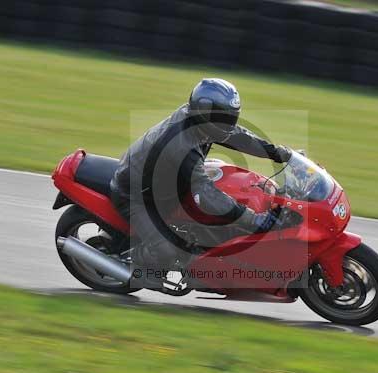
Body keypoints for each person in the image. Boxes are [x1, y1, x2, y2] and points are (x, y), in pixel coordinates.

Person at [109, 78, 291, 285]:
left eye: (230, 117)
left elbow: (240, 137)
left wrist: (279, 154)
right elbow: (204, 193)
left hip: (168, 186)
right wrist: (253, 220)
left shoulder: (200, 125)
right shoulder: (181, 144)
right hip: (136, 196)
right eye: (223, 118)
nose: (229, 124)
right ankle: (135, 269)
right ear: (204, 113)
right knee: (168, 251)